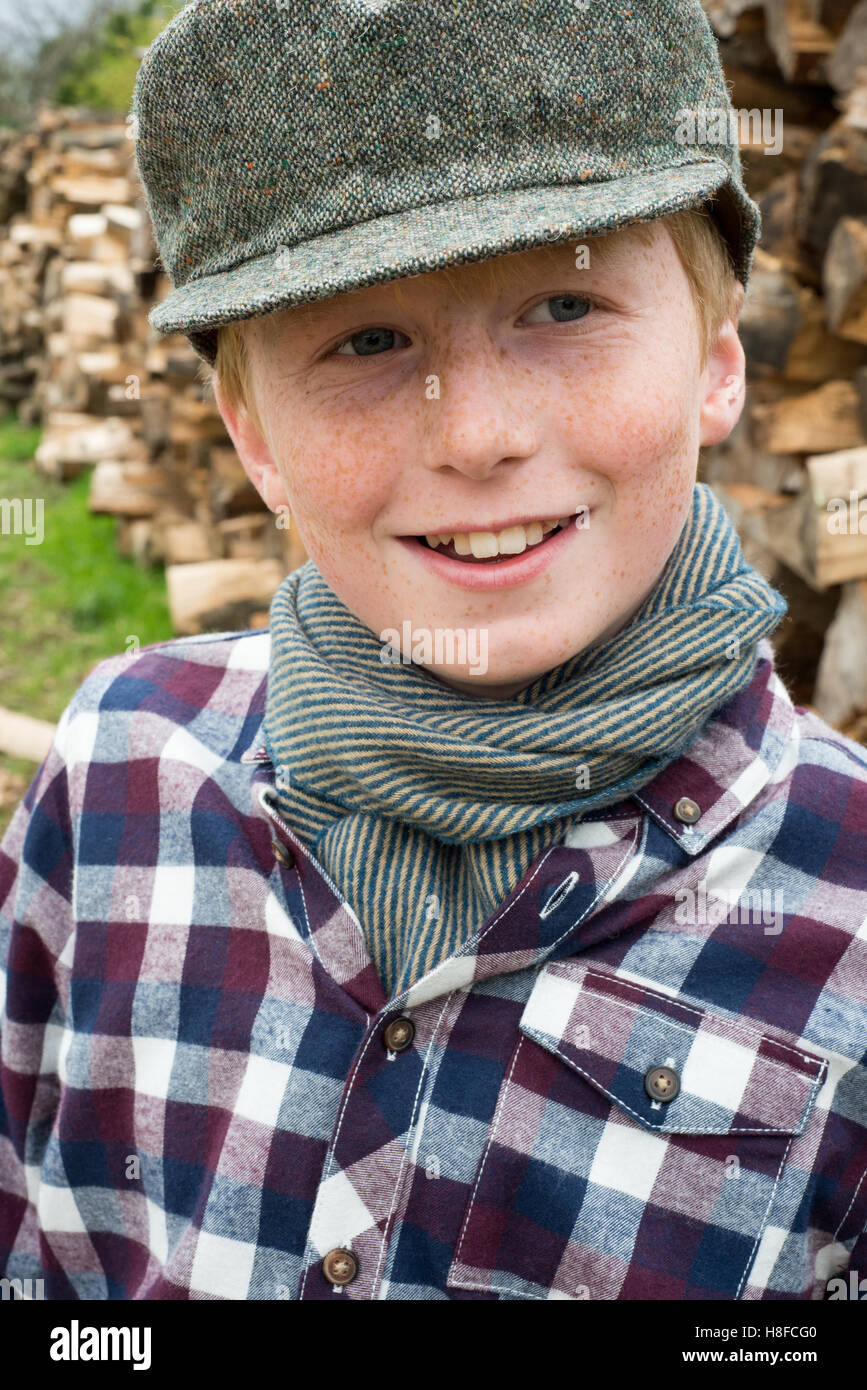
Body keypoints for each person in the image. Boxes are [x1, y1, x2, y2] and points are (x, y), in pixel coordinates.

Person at [1, 0, 866, 1302]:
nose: (477, 437)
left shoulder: (846, 909)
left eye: (565, 305)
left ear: (717, 363)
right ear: (250, 435)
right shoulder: (121, 771)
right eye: (366, 339)